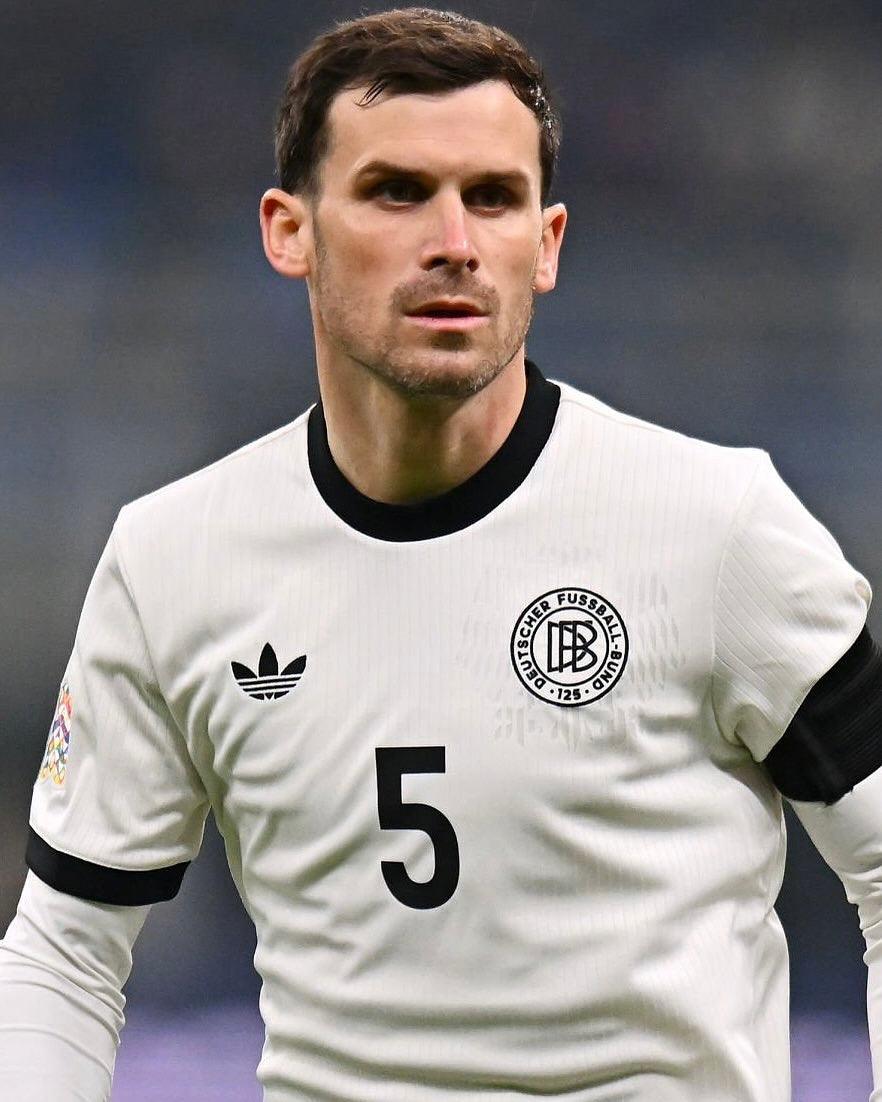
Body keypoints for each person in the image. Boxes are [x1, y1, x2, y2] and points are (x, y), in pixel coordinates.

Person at [1, 7, 880, 1100]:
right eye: (397, 191)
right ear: (289, 231)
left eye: (494, 197)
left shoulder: (719, 527)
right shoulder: (173, 561)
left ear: (546, 244)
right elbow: (66, 949)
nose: (455, 240)